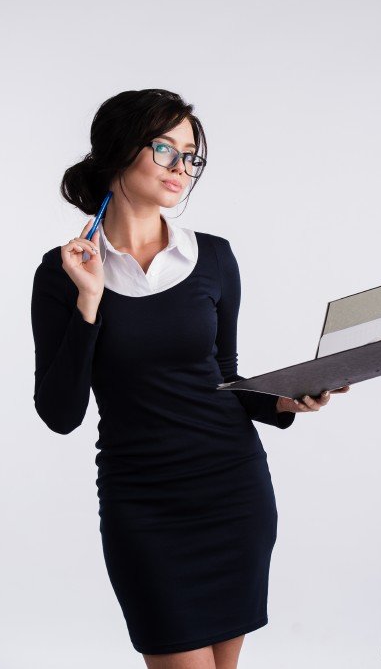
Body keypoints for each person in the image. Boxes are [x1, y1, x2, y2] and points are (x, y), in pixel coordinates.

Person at [30, 88, 350, 669]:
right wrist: (89, 301)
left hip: (233, 489)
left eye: (191, 155)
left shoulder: (216, 258)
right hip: (143, 503)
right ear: (122, 150)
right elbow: (61, 414)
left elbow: (221, 376)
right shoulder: (63, 274)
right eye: (166, 149)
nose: (183, 167)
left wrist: (287, 398)